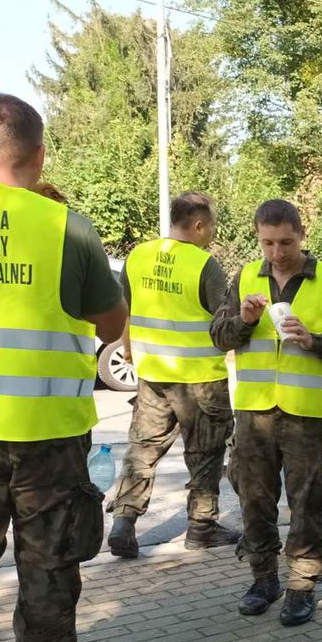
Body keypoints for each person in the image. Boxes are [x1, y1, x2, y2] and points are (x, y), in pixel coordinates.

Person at [0, 94, 127, 642]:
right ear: (40, 155)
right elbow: (111, 324)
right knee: (49, 587)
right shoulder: (67, 228)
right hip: (48, 443)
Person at [210, 200, 322, 627]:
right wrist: (245, 320)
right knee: (254, 500)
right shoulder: (245, 278)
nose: (276, 252)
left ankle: (302, 586)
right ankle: (263, 579)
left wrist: (315, 341)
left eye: (285, 242)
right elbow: (219, 336)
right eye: (267, 242)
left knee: (307, 501)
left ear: (301, 234)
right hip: (254, 413)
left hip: (306, 414)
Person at [105, 192, 239, 558]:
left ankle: (124, 521)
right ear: (198, 225)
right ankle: (201, 528)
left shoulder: (138, 256)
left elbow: (126, 311)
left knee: (142, 451)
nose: (212, 232)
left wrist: (129, 349)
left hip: (152, 377)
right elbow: (224, 323)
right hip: (200, 382)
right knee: (205, 455)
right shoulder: (204, 265)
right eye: (211, 225)